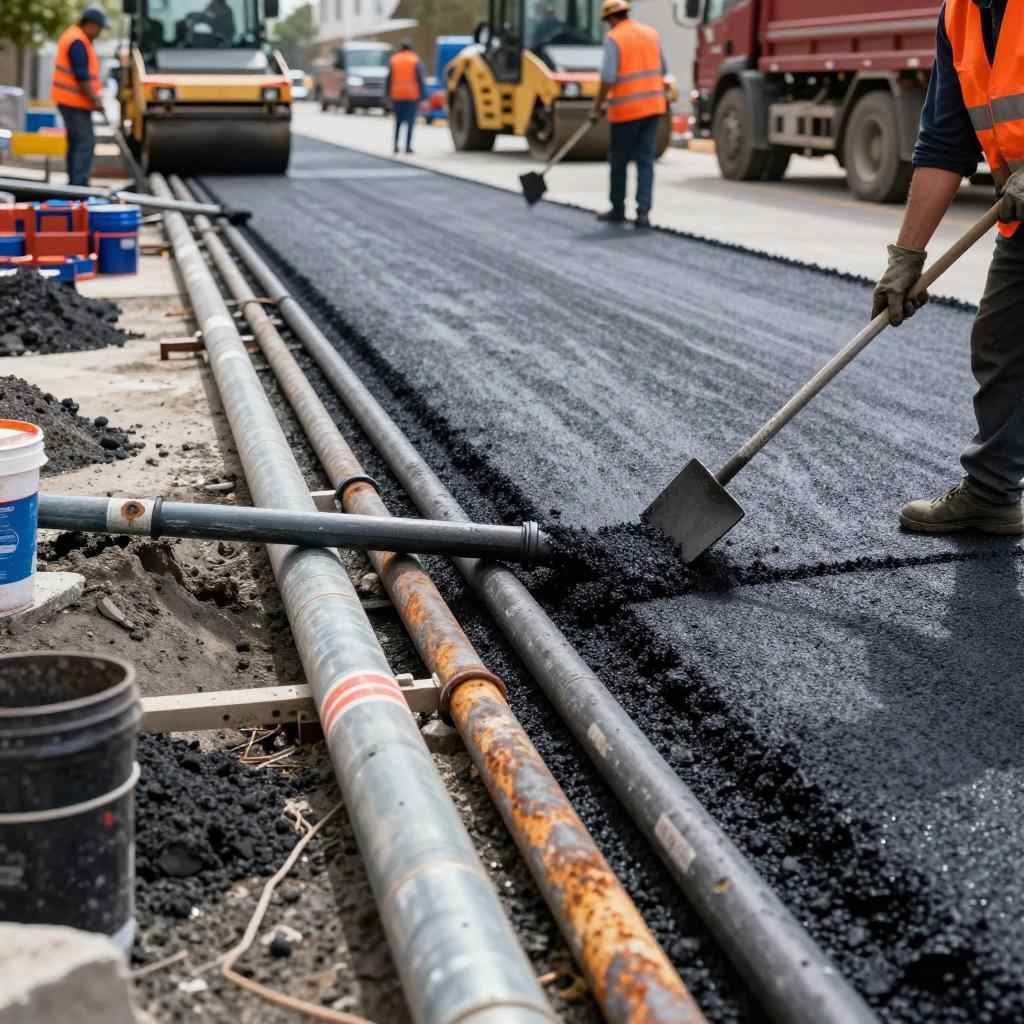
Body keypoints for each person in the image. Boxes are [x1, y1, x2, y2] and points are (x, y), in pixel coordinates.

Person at [873, 0, 1024, 535]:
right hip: (1022, 215)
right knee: (1001, 340)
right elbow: (944, 141)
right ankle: (991, 493)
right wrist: (906, 258)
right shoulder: (959, 15)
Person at [591, 0, 668, 228]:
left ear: (610, 19)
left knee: (619, 161)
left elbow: (608, 77)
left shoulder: (615, 38)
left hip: (627, 111)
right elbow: (662, 70)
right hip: (653, 108)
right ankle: (643, 213)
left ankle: (618, 209)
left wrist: (598, 105)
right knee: (645, 161)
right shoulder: (651, 34)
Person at [51, 7, 106, 187]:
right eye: (99, 28)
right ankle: (79, 186)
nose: (99, 33)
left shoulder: (75, 38)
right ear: (90, 25)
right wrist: (95, 99)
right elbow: (81, 76)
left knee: (76, 143)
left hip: (72, 102)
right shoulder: (77, 41)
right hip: (74, 103)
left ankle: (75, 186)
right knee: (85, 143)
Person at [386, 42, 425, 155]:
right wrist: (423, 96)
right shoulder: (415, 59)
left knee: (398, 122)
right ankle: (408, 147)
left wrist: (387, 96)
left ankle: (395, 146)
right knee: (410, 122)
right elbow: (420, 79)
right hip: (411, 96)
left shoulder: (394, 60)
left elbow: (389, 79)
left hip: (397, 95)